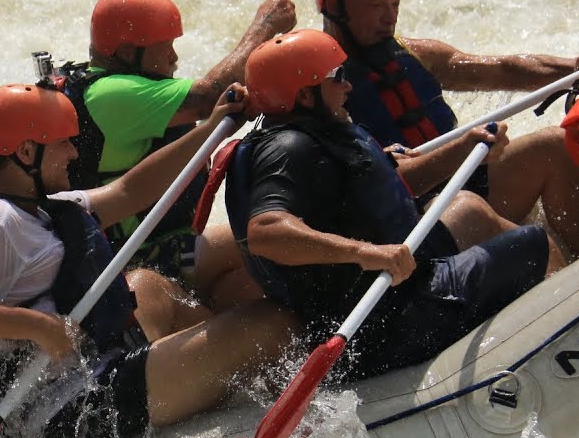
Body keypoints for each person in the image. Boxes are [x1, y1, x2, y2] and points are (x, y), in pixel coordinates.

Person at [0, 82, 297, 438]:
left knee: (148, 285)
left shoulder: (33, 205)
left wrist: (211, 129)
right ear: (25, 152)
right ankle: (233, 368)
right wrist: (36, 327)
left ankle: (222, 376)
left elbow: (129, 191)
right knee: (272, 325)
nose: (74, 153)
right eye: (63, 144)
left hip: (84, 366)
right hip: (72, 410)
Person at [222, 30, 557, 380]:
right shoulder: (290, 148)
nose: (348, 87)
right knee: (534, 244)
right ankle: (575, 331)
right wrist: (366, 253)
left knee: (471, 213)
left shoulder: (315, 134)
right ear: (305, 95)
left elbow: (384, 195)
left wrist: (465, 148)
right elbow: (265, 232)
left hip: (391, 291)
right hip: (391, 319)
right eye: (338, 78)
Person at [315, 0, 579, 258]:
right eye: (375, 5)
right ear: (335, 6)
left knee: (554, 145)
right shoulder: (316, 87)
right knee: (467, 208)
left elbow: (502, 70)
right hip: (408, 215)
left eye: (395, 4)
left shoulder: (417, 53)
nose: (390, 17)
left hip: (462, 177)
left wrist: (574, 68)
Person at [58, 0, 297, 298]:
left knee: (253, 280)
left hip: (155, 245)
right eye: (165, 48)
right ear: (129, 54)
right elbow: (210, 96)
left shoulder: (109, 87)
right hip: (136, 256)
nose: (174, 58)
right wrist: (266, 26)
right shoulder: (112, 94)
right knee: (269, 241)